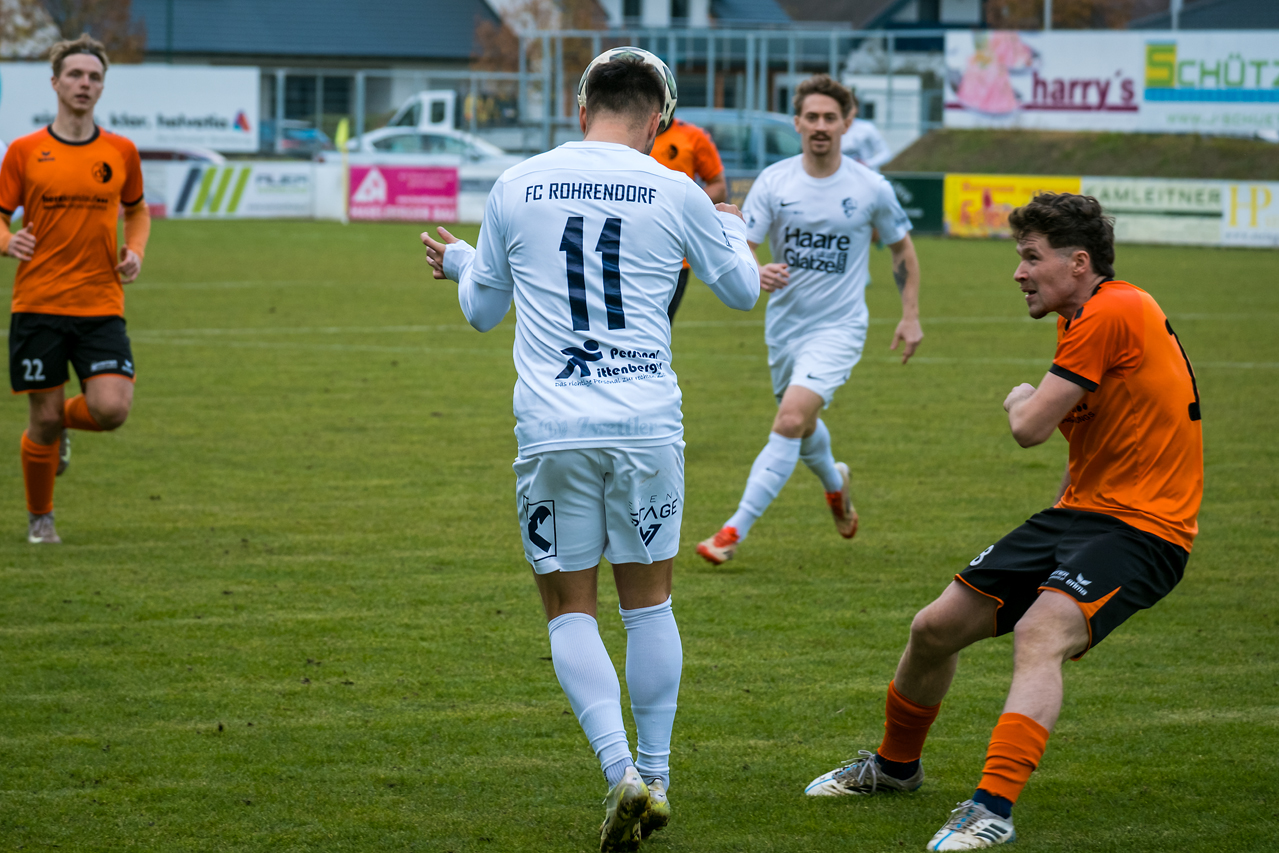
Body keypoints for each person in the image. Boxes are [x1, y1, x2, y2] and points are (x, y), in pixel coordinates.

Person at [422, 47, 759, 852]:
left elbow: (480, 311)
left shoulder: (518, 182)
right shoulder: (675, 187)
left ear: (580, 110)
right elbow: (743, 289)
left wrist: (463, 261)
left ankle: (620, 772)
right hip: (646, 424)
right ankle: (658, 775)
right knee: (650, 604)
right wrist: (732, 226)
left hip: (553, 427)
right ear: (659, 120)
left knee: (569, 607)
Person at [804, 193, 1203, 852]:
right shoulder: (1084, 317)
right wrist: (1059, 518)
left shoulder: (1111, 311)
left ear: (1079, 263)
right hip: (1080, 514)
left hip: (1145, 529)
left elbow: (1029, 427)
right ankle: (895, 767)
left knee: (1040, 632)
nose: (1019, 272)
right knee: (933, 628)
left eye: (1031, 257)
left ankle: (991, 808)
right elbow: (1100, 438)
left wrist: (1021, 397)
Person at [696, 74, 922, 565]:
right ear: (797, 122)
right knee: (800, 423)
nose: (821, 126)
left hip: (840, 327)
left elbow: (902, 249)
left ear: (847, 124)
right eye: (812, 117)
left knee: (791, 418)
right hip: (785, 327)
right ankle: (835, 483)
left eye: (830, 118)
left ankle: (732, 531)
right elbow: (743, 245)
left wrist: (910, 316)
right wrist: (757, 269)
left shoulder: (870, 187)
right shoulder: (774, 182)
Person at [0, 34, 149, 545]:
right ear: (55, 83)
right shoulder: (24, 151)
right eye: (75, 75)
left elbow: (138, 210)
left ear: (102, 87)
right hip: (38, 304)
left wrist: (136, 250)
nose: (85, 83)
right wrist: (7, 241)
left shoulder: (121, 151)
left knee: (111, 410)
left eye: (94, 77)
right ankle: (40, 519)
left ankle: (58, 426)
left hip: (101, 302)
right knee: (41, 418)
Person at [649, 114, 726, 320]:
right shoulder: (628, 133)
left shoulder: (693, 136)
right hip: (631, 244)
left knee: (659, 326)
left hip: (674, 253)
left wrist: (685, 204)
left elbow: (719, 187)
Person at [838, 90, 892, 172]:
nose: (847, 111)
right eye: (844, 108)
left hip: (865, 175)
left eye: (850, 107)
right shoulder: (834, 129)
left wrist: (867, 164)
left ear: (856, 109)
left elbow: (886, 153)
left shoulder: (867, 128)